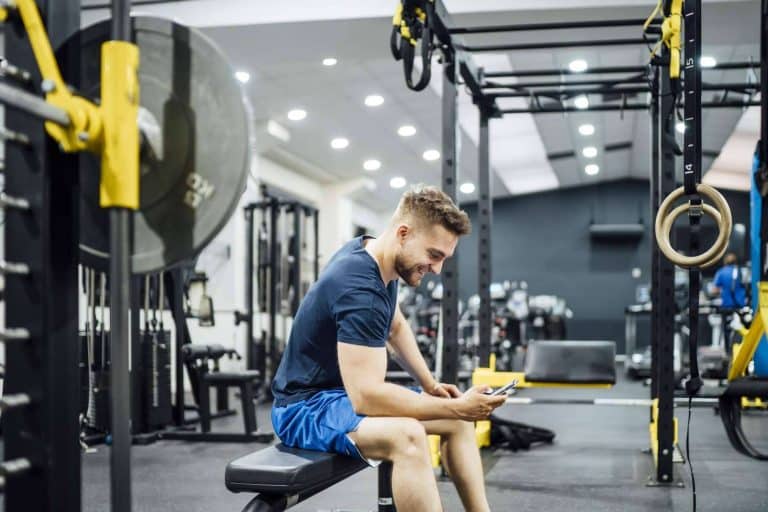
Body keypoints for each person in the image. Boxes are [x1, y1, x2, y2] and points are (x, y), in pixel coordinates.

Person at [271, 185, 507, 512]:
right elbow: (367, 397)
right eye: (434, 255)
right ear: (403, 233)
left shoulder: (376, 256)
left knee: (457, 423)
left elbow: (395, 326)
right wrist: (458, 406)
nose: (437, 269)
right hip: (302, 408)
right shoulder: (360, 289)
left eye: (443, 258)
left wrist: (430, 385)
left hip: (338, 398)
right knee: (408, 436)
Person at [712, 252, 747, 349]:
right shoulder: (741, 271)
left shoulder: (721, 272)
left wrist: (723, 290)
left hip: (727, 305)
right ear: (736, 261)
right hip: (740, 306)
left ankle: (728, 351)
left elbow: (714, 290)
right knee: (743, 329)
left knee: (727, 331)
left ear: (725, 262)